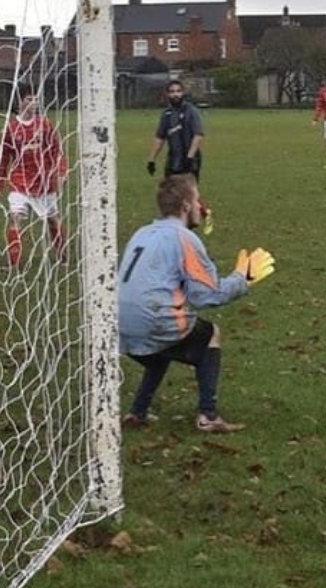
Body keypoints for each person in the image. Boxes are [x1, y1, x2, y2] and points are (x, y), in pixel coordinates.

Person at [118, 175, 276, 432]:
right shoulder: (185, 238)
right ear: (185, 206)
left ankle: (137, 412)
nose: (201, 206)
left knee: (161, 353)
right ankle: (208, 415)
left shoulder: (142, 232)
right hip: (153, 320)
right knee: (210, 334)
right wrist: (243, 279)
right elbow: (206, 296)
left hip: (120, 327)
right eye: (196, 199)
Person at [0, 84, 68, 268]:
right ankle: (14, 262)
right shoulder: (10, 129)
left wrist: (61, 171)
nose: (34, 103)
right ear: (19, 102)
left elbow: (57, 150)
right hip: (19, 181)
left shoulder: (44, 124)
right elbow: (3, 160)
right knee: (16, 218)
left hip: (43, 182)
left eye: (36, 99)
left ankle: (62, 254)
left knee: (52, 219)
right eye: (29, 99)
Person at [147, 80, 204, 180]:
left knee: (187, 192)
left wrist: (190, 157)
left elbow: (198, 135)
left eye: (178, 91)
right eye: (172, 92)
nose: (175, 94)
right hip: (173, 159)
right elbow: (160, 138)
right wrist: (152, 159)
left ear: (182, 93)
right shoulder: (166, 114)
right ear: (168, 94)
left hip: (189, 158)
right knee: (170, 190)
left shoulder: (191, 111)